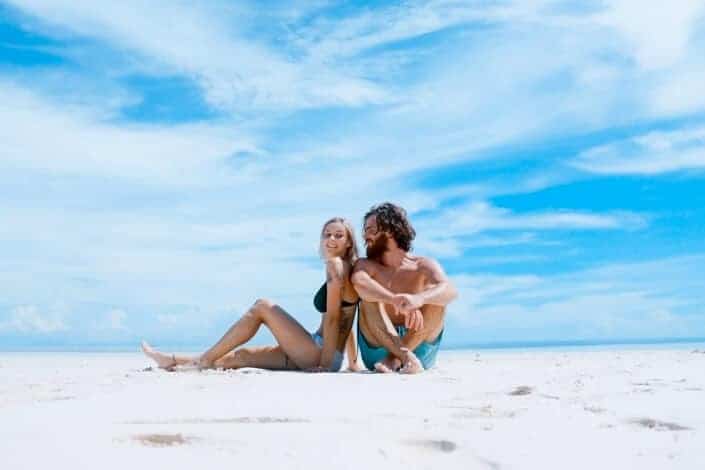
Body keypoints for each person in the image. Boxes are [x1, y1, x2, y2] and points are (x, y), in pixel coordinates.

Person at [141, 217, 360, 372]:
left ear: (348, 242)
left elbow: (332, 319)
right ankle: (170, 360)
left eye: (338, 235)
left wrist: (324, 363)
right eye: (327, 234)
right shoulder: (349, 269)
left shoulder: (335, 265)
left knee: (262, 306)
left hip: (320, 352)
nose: (331, 239)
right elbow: (346, 319)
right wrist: (350, 361)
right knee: (242, 357)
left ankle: (203, 360)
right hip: (324, 351)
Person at [351, 202, 457, 374]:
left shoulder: (422, 265)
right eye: (365, 230)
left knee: (438, 301)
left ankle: (395, 359)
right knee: (368, 299)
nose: (365, 236)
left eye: (371, 229)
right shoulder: (366, 265)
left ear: (391, 230)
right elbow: (359, 283)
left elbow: (450, 290)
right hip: (378, 348)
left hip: (419, 346)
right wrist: (395, 299)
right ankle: (402, 356)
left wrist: (419, 299)